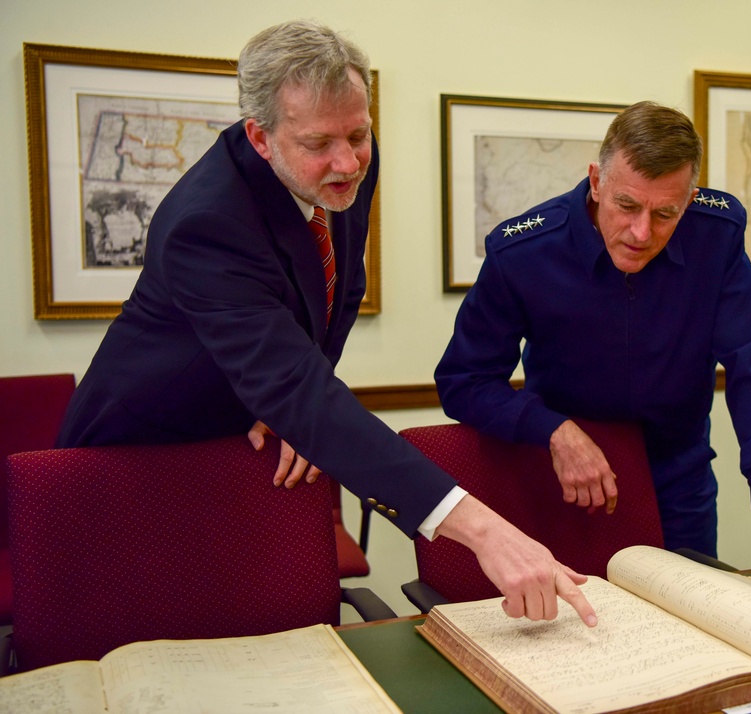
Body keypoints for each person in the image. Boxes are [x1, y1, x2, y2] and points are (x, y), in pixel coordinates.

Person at [56, 19, 596, 626]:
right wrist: (487, 532)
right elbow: (296, 384)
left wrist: (284, 403)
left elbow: (339, 294)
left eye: (359, 134)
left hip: (246, 439)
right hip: (138, 457)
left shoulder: (342, 165)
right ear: (261, 137)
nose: (347, 162)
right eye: (319, 144)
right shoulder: (204, 224)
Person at [435, 101, 751, 584]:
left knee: (692, 624)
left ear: (690, 198)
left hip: (677, 478)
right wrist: (553, 430)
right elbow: (463, 382)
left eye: (665, 213)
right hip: (566, 477)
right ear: (596, 181)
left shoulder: (714, 236)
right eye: (627, 206)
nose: (641, 233)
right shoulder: (525, 251)